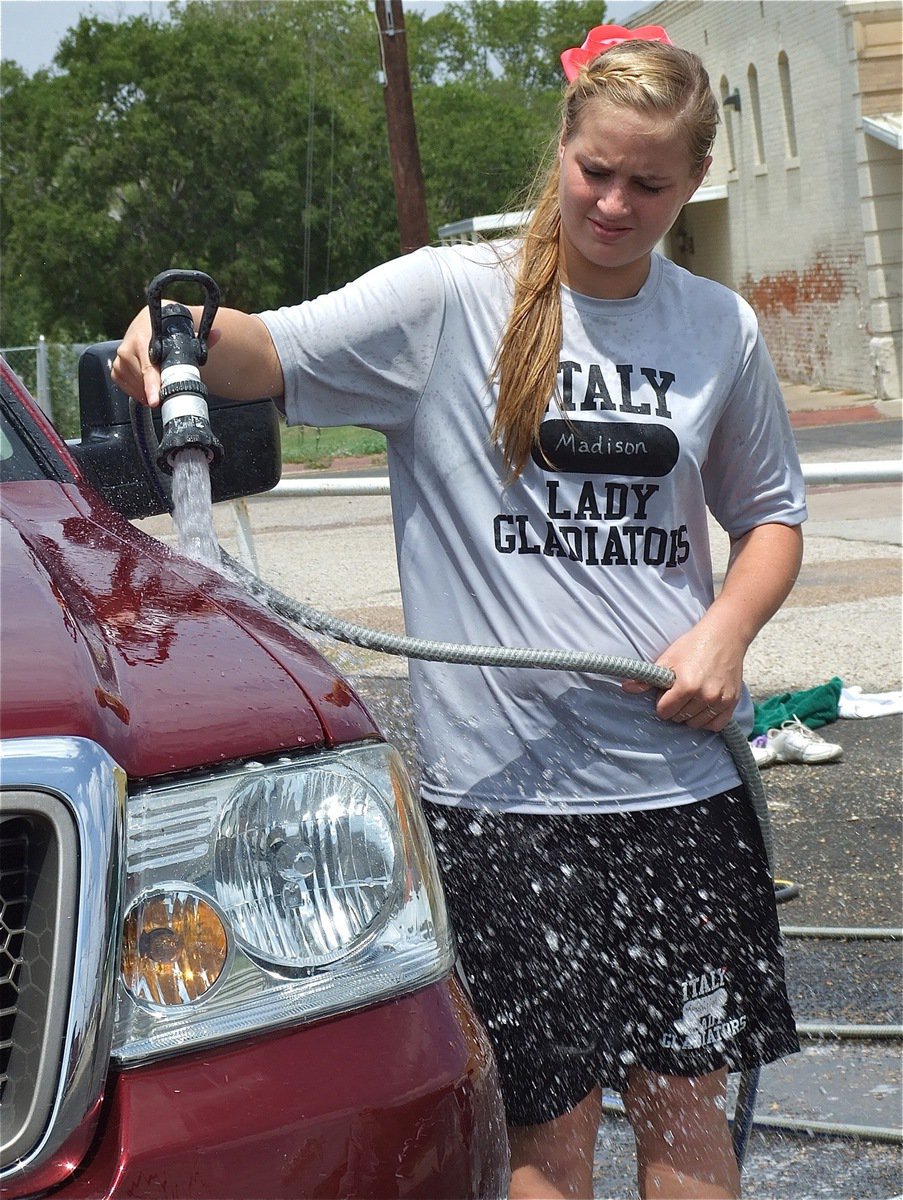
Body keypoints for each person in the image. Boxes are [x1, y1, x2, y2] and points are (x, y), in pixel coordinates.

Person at [113, 25, 805, 1200]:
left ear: (692, 185)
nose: (616, 202)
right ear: (564, 149)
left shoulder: (715, 329)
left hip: (678, 787)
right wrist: (170, 338)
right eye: (597, 170)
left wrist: (727, 631)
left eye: (650, 183)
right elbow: (259, 352)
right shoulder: (445, 301)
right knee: (551, 1133)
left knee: (688, 1115)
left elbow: (774, 520)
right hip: (501, 807)